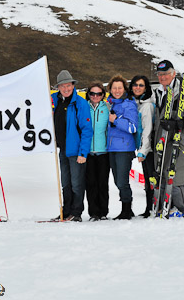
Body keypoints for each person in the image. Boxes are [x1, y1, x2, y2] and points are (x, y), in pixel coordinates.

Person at [152, 60, 184, 217]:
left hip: (181, 142)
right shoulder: (160, 92)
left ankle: (183, 209)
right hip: (165, 139)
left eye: (166, 74)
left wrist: (180, 123)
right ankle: (168, 206)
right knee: (165, 174)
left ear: (173, 74)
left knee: (175, 174)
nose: (163, 77)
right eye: (160, 74)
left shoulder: (183, 94)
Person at [51, 70, 93, 222]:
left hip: (76, 152)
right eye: (62, 86)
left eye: (68, 85)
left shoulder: (79, 103)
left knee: (76, 184)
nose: (66, 89)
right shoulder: (54, 100)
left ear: (73, 85)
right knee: (65, 183)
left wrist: (83, 153)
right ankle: (65, 211)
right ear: (58, 87)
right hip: (62, 150)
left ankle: (76, 212)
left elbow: (87, 130)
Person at [106, 75, 138, 220]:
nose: (117, 90)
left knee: (121, 181)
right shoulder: (109, 104)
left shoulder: (129, 104)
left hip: (124, 149)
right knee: (117, 181)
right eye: (114, 88)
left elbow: (132, 127)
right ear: (110, 89)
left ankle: (127, 209)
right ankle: (126, 208)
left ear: (124, 89)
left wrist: (116, 120)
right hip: (111, 147)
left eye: (120, 88)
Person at [128, 75, 155, 217]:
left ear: (146, 88)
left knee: (150, 178)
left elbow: (147, 130)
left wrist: (143, 151)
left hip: (149, 149)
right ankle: (149, 208)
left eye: (141, 85)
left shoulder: (147, 106)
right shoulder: (135, 103)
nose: (137, 88)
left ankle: (151, 208)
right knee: (147, 177)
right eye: (135, 85)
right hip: (142, 147)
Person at [85, 82, 110, 221]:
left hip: (103, 153)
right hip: (88, 153)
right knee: (91, 184)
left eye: (98, 94)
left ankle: (103, 212)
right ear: (88, 94)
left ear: (102, 95)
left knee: (102, 183)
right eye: (92, 93)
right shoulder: (84, 107)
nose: (95, 96)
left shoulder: (107, 107)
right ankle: (93, 213)